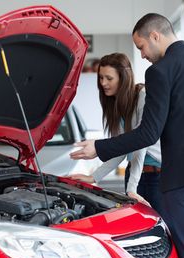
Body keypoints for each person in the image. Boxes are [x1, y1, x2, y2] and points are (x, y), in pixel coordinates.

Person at [70, 13, 184, 258]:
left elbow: (147, 134)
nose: (142, 55)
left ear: (155, 36)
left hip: (180, 183)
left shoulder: (160, 72)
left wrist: (98, 147)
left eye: (141, 47)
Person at [70, 53, 163, 214]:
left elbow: (141, 143)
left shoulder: (143, 96)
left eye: (109, 78)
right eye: (100, 78)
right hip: (133, 174)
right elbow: (121, 148)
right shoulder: (117, 104)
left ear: (123, 77)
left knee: (163, 229)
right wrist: (94, 177)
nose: (103, 83)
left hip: (156, 177)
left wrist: (131, 187)